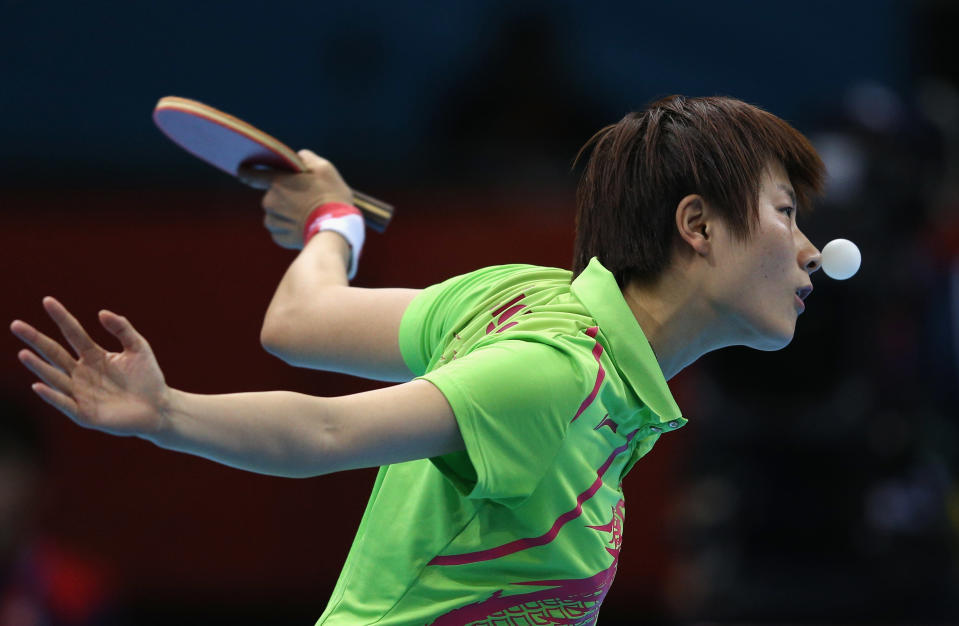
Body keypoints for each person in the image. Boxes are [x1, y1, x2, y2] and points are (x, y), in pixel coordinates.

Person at [10, 95, 824, 625]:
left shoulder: (520, 301)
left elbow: (301, 318)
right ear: (697, 225)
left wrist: (334, 223)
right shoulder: (554, 371)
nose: (810, 251)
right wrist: (165, 413)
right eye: (785, 212)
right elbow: (328, 432)